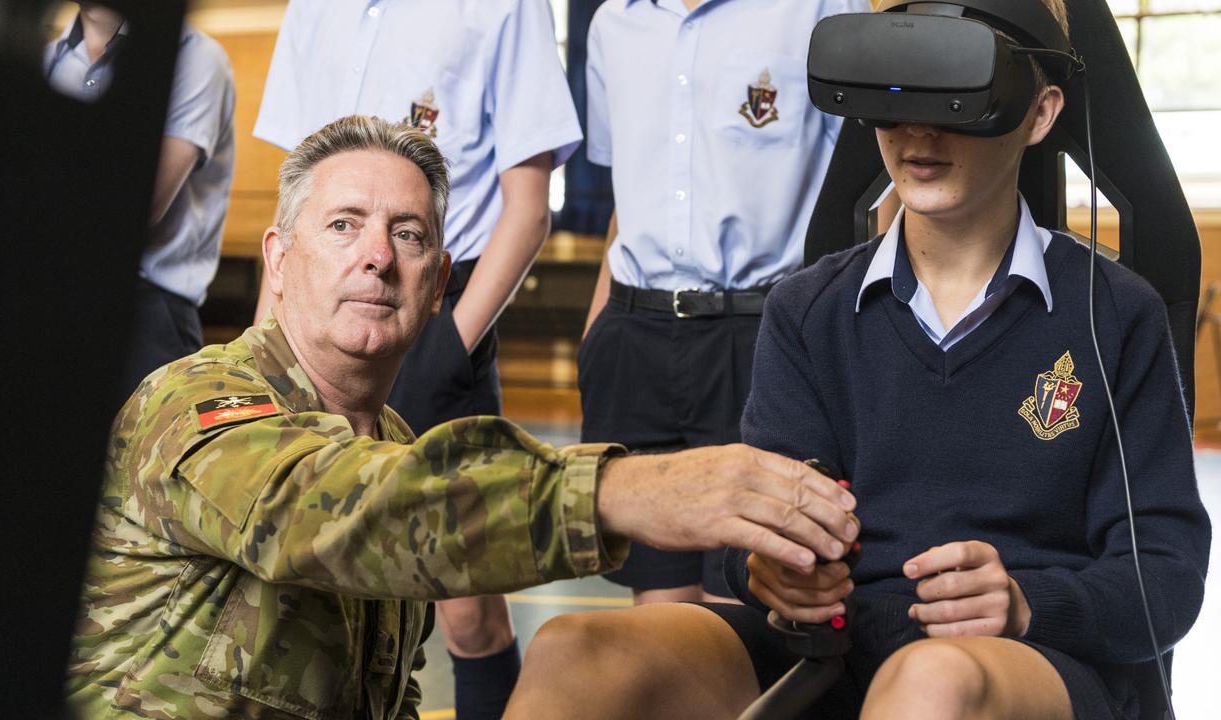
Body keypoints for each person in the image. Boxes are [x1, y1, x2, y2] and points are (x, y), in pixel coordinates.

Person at [506, 1, 1212, 717]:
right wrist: (765, 572)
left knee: (929, 680)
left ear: (1039, 113)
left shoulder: (1117, 316)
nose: (919, 133)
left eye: (955, 96)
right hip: (837, 654)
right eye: (898, 97)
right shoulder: (808, 311)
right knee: (572, 651)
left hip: (1036, 660)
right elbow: (754, 525)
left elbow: (1167, 576)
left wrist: (1028, 601)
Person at [64, 115, 860, 720]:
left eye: (406, 235)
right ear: (279, 257)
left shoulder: (402, 446)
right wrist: (626, 491)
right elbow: (336, 512)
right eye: (343, 225)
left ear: (437, 281)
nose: (377, 256)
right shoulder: (196, 404)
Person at [250, 3, 577, 713]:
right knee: (296, 573)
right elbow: (291, 208)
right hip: (314, 317)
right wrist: (259, 344)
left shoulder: (502, 8)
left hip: (424, 320)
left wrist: (448, 343)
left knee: (466, 610)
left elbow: (528, 207)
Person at [579, 0, 871, 606]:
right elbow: (626, 192)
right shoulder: (614, 22)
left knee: (746, 605)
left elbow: (878, 181)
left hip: (761, 333)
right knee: (658, 617)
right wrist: (597, 334)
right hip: (635, 334)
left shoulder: (816, 8)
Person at [45, 2, 235, 399]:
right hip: (55, 297)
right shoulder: (48, 59)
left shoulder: (196, 57)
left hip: (151, 312)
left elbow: (133, 206)